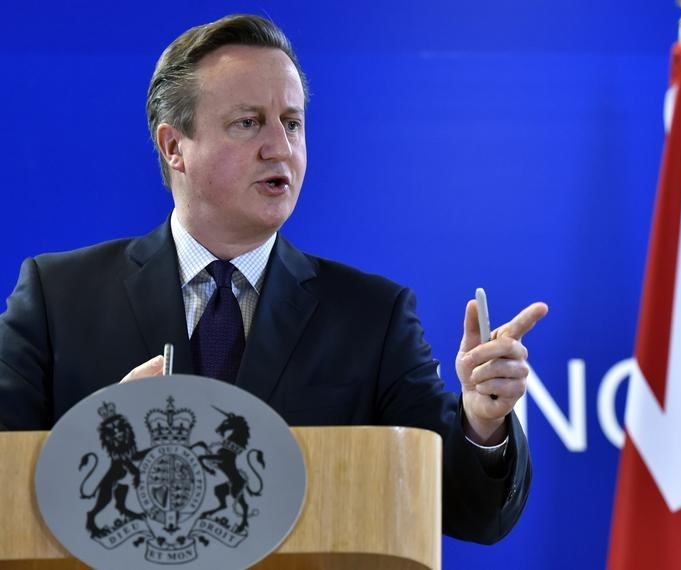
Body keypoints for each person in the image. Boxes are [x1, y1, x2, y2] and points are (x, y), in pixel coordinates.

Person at [0, 14, 547, 544]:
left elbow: (469, 512)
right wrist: (88, 440)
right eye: (248, 123)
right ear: (174, 147)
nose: (280, 148)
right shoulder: (58, 298)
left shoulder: (371, 317)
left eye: (291, 122)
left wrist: (480, 424)